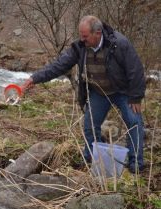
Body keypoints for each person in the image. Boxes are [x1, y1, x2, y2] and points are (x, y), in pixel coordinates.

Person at [21, 15, 145, 174]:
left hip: (123, 91)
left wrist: (136, 97)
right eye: (81, 36)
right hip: (99, 91)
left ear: (98, 33)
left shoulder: (119, 44)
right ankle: (92, 157)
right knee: (89, 124)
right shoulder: (80, 47)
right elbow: (58, 65)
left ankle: (136, 163)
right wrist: (34, 78)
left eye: (85, 36)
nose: (82, 39)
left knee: (134, 121)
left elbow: (136, 70)